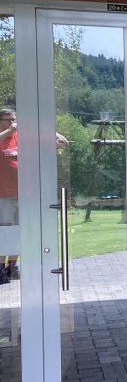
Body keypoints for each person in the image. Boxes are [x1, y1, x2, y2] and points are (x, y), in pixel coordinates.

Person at [0, 109, 68, 284]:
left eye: (15, 119)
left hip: (23, 195)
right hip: (3, 195)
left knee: (19, 232)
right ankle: (0, 268)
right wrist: (9, 131)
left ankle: (11, 267)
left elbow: (61, 141)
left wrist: (52, 135)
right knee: (4, 231)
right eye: (9, 119)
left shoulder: (20, 138)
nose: (13, 122)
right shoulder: (4, 137)